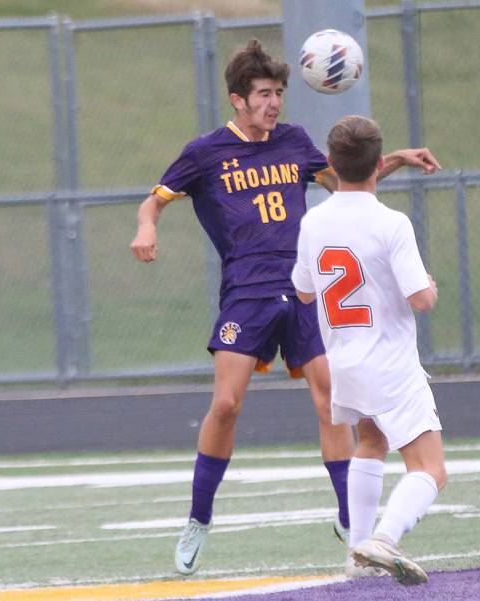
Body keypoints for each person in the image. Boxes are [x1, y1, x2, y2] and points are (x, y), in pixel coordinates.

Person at [129, 40, 441, 576]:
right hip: (245, 292)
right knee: (226, 405)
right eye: (263, 95)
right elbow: (155, 198)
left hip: (303, 289)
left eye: (278, 93)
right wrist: (146, 225)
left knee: (329, 401)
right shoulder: (205, 152)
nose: (274, 103)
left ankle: (352, 525)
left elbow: (348, 182)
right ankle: (199, 518)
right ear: (237, 100)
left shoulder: (294, 141)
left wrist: (397, 160)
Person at [292, 115, 447, 586]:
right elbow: (420, 299)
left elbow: (302, 292)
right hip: (391, 364)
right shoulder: (391, 222)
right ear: (380, 164)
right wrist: (431, 288)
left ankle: (357, 556)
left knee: (371, 442)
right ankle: (384, 538)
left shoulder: (313, 220)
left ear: (332, 165)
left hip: (344, 360)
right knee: (432, 469)